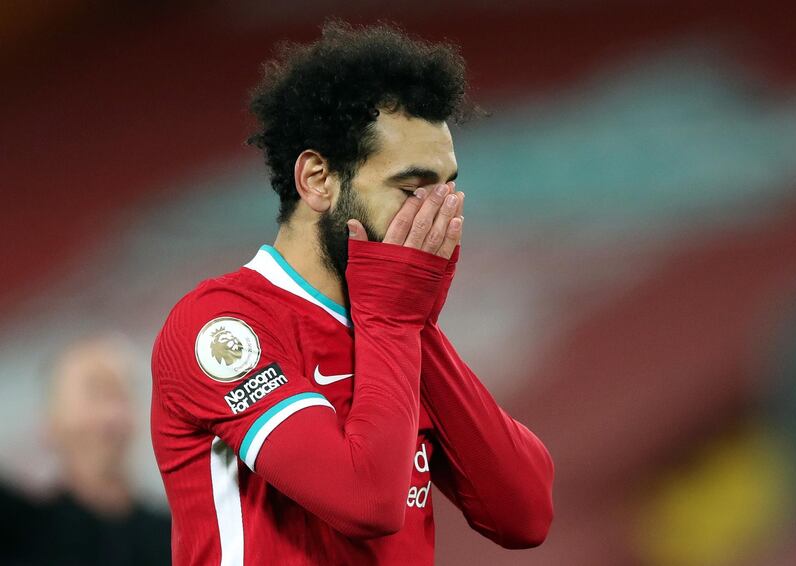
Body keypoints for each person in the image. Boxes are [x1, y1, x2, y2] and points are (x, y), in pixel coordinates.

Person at [151, 20, 554, 565]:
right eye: (412, 189)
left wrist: (417, 325)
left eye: (447, 187)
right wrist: (394, 319)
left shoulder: (391, 321)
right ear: (317, 179)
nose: (437, 214)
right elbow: (366, 504)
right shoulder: (221, 325)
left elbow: (523, 513)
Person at [0, 334, 171, 566]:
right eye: (95, 392)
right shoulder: (21, 531)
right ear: (49, 422)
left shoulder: (174, 536)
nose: (110, 413)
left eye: (120, 393)